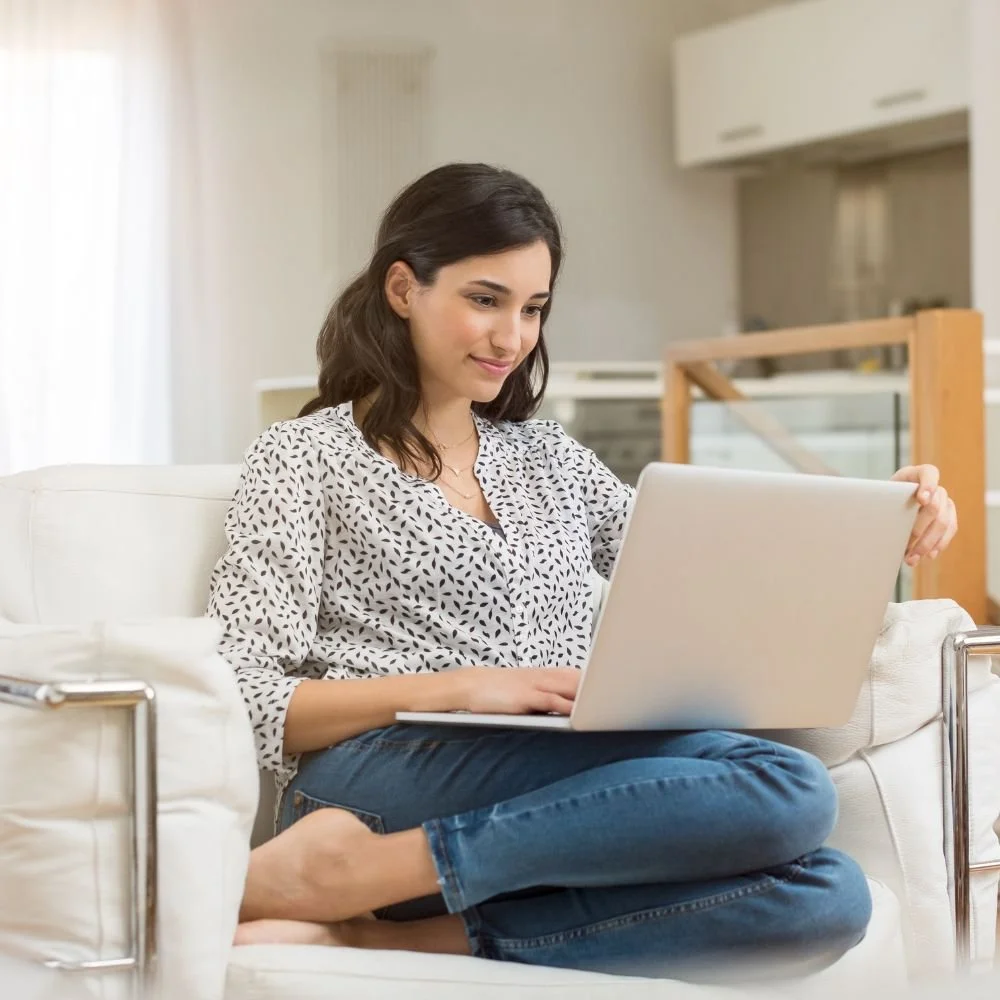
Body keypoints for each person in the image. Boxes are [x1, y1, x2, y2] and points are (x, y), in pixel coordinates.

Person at [207, 162, 959, 981]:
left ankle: (374, 924)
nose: (511, 338)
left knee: (828, 896)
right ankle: (362, 863)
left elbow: (714, 562)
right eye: (484, 299)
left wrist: (881, 518)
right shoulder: (303, 456)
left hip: (562, 768)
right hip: (382, 773)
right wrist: (456, 688)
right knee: (789, 787)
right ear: (401, 288)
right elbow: (245, 693)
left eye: (533, 309)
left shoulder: (548, 457)